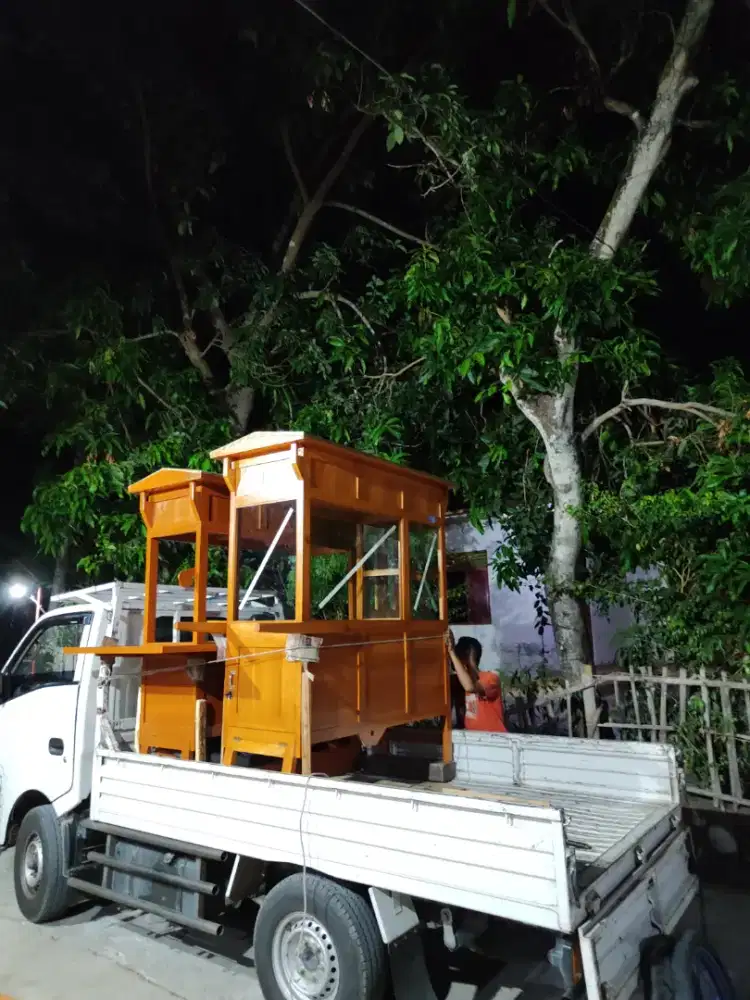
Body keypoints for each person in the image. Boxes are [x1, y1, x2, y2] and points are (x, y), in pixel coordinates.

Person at [446, 630, 506, 732]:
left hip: (495, 741)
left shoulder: (490, 678)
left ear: (467, 656)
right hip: (474, 739)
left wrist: (451, 652)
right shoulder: (459, 682)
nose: (453, 661)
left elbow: (470, 687)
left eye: (457, 655)